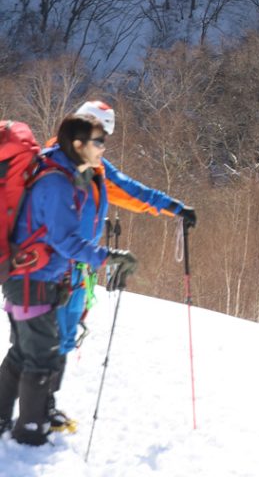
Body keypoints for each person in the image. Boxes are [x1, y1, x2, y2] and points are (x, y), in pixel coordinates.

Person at [47, 100, 197, 434]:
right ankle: (35, 411)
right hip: (58, 265)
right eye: (99, 137)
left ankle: (41, 406)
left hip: (78, 266)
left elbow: (130, 190)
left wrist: (173, 207)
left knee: (60, 337)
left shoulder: (94, 167)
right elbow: (130, 192)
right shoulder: (57, 167)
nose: (102, 145)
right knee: (47, 339)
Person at [0, 115, 137, 445]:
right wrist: (109, 257)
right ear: (78, 145)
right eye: (98, 142)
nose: (103, 149)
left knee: (22, 354)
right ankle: (31, 432)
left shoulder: (53, 170)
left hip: (26, 278)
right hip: (34, 281)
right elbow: (65, 241)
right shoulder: (56, 183)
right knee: (42, 358)